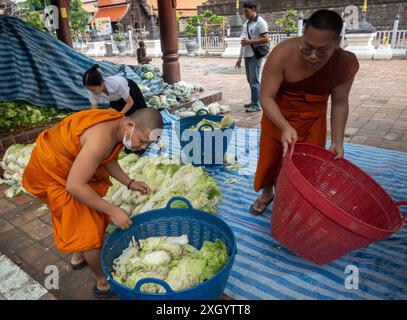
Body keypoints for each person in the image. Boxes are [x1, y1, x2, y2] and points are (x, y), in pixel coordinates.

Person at [22, 108, 164, 298]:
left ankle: (78, 256)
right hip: (52, 175)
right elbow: (74, 185)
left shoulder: (117, 124)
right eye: (143, 140)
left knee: (87, 219)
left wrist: (129, 183)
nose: (144, 147)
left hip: (69, 172)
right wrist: (113, 210)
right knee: (89, 231)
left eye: (149, 143)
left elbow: (107, 158)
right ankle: (103, 282)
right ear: (130, 125)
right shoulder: (100, 138)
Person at [250, 9, 359, 215]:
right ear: (303, 36)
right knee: (270, 160)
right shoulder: (282, 54)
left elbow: (339, 103)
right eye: (307, 47)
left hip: (312, 121)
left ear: (337, 44)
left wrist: (337, 141)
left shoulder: (344, 63)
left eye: (322, 51)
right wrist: (284, 126)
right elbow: (266, 97)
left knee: (305, 167)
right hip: (278, 116)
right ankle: (267, 193)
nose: (312, 56)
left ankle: (293, 200)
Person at [235, 1, 269, 113]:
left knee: (254, 81)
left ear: (253, 9)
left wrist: (250, 41)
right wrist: (240, 58)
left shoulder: (260, 22)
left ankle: (256, 105)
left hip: (255, 55)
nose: (245, 14)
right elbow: (243, 42)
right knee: (250, 80)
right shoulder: (246, 24)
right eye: (244, 12)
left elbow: (266, 39)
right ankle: (254, 101)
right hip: (247, 55)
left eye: (247, 11)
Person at [83, 64, 147, 116]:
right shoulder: (92, 91)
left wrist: (120, 115)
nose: (91, 92)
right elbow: (94, 110)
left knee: (140, 113)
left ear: (101, 83)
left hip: (131, 91)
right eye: (90, 90)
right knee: (123, 116)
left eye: (93, 90)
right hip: (116, 98)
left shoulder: (116, 84)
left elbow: (130, 102)